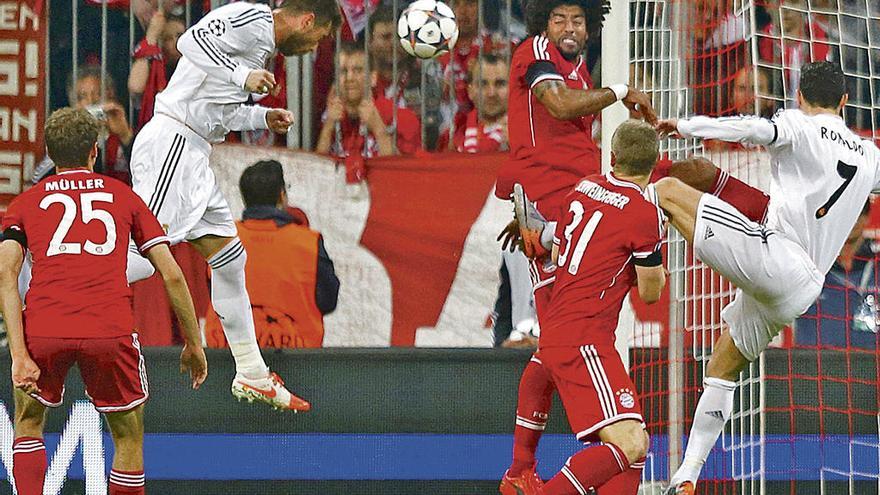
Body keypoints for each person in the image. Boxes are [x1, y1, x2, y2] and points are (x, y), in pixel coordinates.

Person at [655, 61, 880, 494]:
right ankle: (686, 476)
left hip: (777, 257)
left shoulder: (796, 124)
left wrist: (683, 125)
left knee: (666, 192)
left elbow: (750, 129)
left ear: (799, 96)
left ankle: (627, 242)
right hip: (804, 289)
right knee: (722, 369)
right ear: (846, 102)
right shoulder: (868, 155)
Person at [126, 0, 341, 411]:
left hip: (194, 149)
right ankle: (48, 286)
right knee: (144, 253)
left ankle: (253, 374)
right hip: (173, 142)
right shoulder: (255, 17)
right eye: (320, 36)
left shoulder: (261, 49)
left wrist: (262, 119)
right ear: (308, 20)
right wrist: (243, 75)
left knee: (230, 260)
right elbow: (192, 40)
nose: (316, 46)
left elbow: (216, 109)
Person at [2, 108, 207, 495]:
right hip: (108, 329)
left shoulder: (25, 204)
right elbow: (173, 273)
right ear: (94, 152)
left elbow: (5, 276)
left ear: (50, 152)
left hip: (45, 328)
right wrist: (194, 343)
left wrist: (18, 353)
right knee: (128, 437)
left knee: (28, 423)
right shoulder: (124, 198)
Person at [496, 0, 657, 491]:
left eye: (578, 20)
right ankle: (524, 473)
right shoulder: (537, 51)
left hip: (564, 207)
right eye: (560, 18)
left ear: (591, 25)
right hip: (554, 206)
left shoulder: (576, 66)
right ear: (544, 23)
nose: (569, 29)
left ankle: (520, 472)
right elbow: (559, 105)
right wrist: (622, 90)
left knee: (549, 350)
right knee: (561, 342)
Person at [507, 119, 666, 494]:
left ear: (612, 157)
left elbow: (561, 247)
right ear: (654, 165)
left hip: (561, 329)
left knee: (633, 444)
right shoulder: (644, 214)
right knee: (631, 443)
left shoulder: (584, 188)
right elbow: (649, 292)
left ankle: (519, 468)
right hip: (586, 340)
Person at [204, 160, 339, 349]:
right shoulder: (309, 242)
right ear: (282, 195)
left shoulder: (222, 238)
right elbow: (328, 301)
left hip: (229, 357)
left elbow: (213, 291)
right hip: (298, 361)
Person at [316, 42, 421, 181]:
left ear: (373, 78)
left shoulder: (402, 118)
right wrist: (328, 127)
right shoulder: (330, 118)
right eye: (343, 71)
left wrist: (379, 129)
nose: (349, 78)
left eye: (358, 70)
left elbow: (405, 177)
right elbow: (316, 175)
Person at [32, 67, 136, 185]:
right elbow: (38, 178)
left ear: (110, 95)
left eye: (97, 94)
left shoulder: (125, 135)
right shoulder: (66, 137)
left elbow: (146, 173)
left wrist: (125, 136)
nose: (90, 101)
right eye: (81, 97)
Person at [798, 199, 879, 349]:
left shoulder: (876, 265)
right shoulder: (807, 265)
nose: (850, 220)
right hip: (815, 367)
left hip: (873, 367)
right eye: (843, 213)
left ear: (866, 218)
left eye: (857, 213)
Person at [128, 8, 186, 129]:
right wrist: (151, 37)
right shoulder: (156, 67)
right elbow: (135, 87)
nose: (176, 42)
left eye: (180, 35)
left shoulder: (194, 65)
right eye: (168, 38)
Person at [440, 52, 509, 152]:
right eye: (483, 84)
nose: (491, 93)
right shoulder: (452, 137)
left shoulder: (529, 133)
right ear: (470, 91)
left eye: (500, 84)